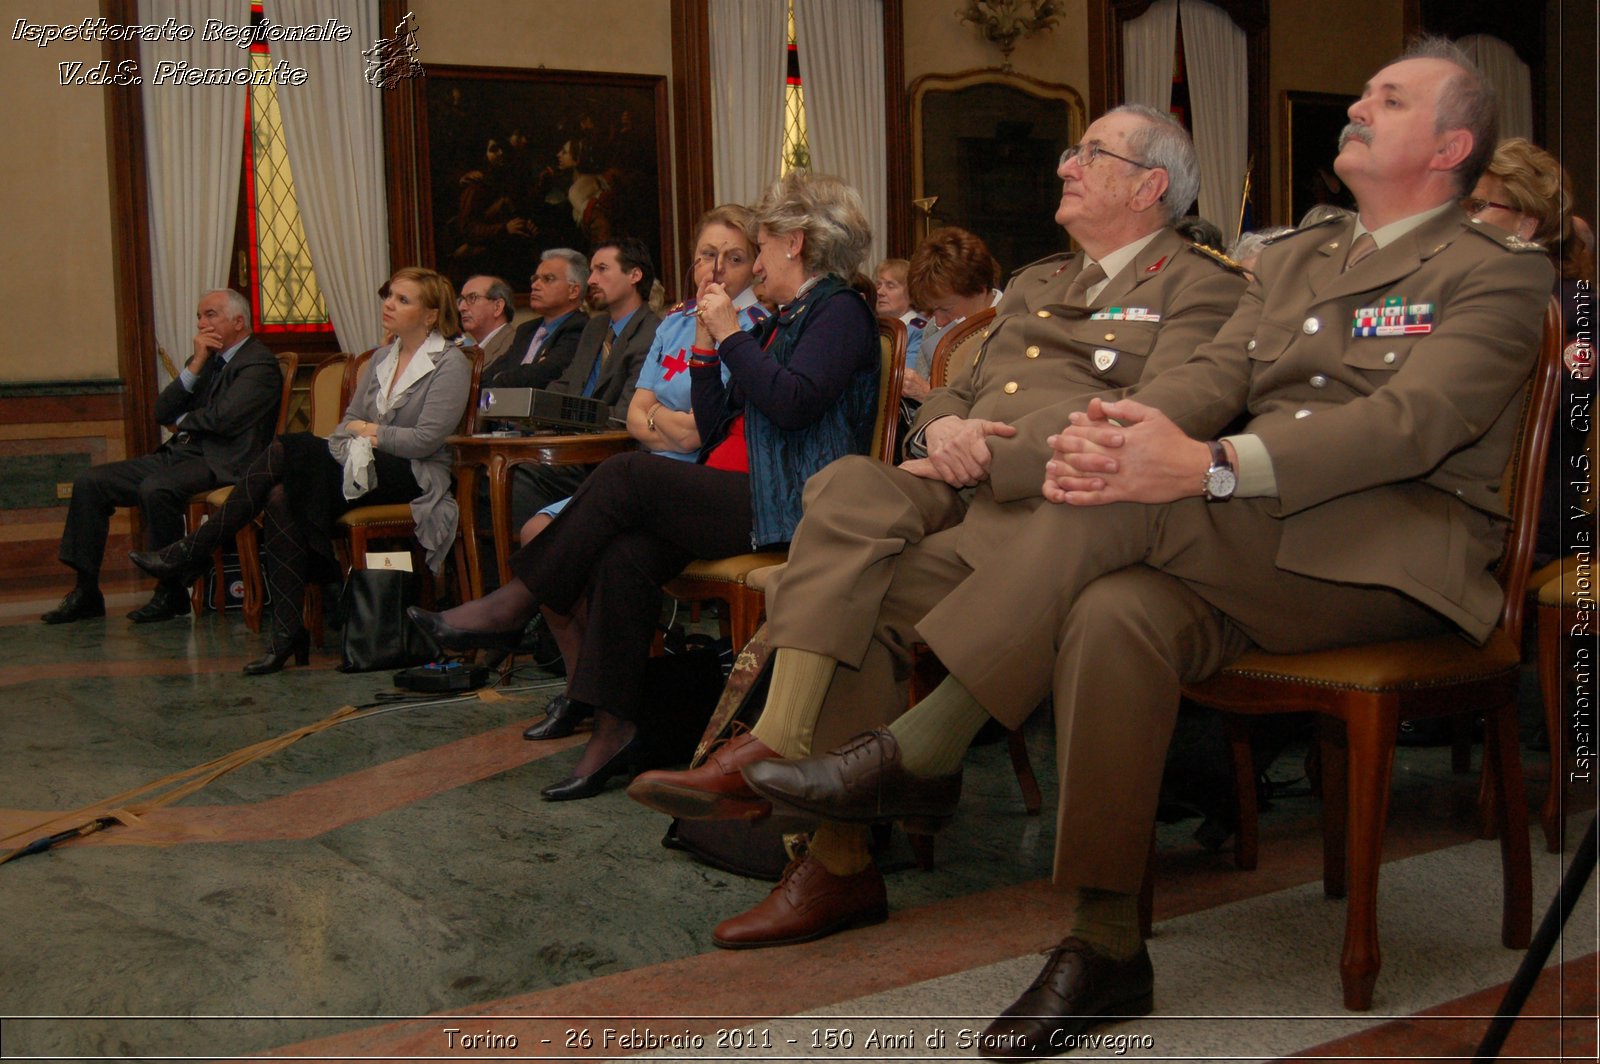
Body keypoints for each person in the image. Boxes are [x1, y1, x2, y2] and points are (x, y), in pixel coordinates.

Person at [730, 40, 1552, 1057]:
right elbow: (1211, 369)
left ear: (1451, 144)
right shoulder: (1297, 256)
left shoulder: (1499, 273)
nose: (1357, 104)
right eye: (1365, 88)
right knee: (1115, 608)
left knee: (1131, 494)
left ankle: (926, 746)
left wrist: (1202, 462)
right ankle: (1108, 939)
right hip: (1254, 540)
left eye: (1389, 98)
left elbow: (1412, 426)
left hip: (1392, 554)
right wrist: (1122, 432)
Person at [627, 105, 1248, 951]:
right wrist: (943, 432)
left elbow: (1163, 413)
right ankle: (782, 742)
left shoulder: (1204, 285)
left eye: (1089, 154)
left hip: (1072, 511)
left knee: (870, 590)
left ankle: (838, 860)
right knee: (846, 486)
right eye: (1070, 150)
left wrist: (1001, 456)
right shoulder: (1036, 282)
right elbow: (954, 385)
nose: (1066, 165)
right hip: (963, 489)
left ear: (1150, 186)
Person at [408, 171, 882, 802]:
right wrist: (711, 349)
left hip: (795, 503)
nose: (755, 261)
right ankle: (614, 728)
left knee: (627, 473)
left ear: (794, 243)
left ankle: (514, 603)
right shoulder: (785, 317)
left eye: (759, 246)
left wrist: (733, 336)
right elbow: (716, 426)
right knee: (624, 553)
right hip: (738, 487)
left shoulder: (839, 312)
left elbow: (793, 405)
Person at [130, 268, 474, 675]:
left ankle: (194, 549)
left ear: (432, 315)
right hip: (362, 463)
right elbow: (347, 420)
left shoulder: (449, 363)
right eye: (389, 296)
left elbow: (424, 441)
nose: (388, 305)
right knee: (280, 497)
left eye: (403, 299)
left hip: (414, 473)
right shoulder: (382, 357)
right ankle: (287, 633)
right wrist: (361, 432)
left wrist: (369, 431)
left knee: (289, 449)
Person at [520, 204, 770, 742]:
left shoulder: (754, 327)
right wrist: (662, 422)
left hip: (697, 481)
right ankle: (578, 689)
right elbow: (635, 415)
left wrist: (661, 421)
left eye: (734, 257)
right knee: (537, 530)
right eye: (707, 255)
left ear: (756, 265)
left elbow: (703, 432)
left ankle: (571, 673)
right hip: (644, 467)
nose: (717, 270)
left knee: (586, 538)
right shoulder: (676, 322)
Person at [44, 289, 281, 626]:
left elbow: (225, 419)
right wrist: (196, 363)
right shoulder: (206, 360)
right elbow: (162, 411)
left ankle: (169, 592)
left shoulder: (259, 364)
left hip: (224, 461)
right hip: (182, 453)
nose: (201, 323)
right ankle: (86, 591)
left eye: (210, 315)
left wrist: (183, 422)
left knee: (156, 489)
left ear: (238, 322)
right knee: (90, 482)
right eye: (199, 316)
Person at [1461, 136, 1588, 562]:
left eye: (1476, 207)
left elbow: (1566, 407)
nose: (1458, 222)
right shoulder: (1451, 298)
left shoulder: (1573, 309)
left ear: (1525, 223)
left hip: (1526, 517)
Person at [508, 238, 661, 530]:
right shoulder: (595, 327)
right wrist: (532, 411)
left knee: (516, 477)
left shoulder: (652, 331)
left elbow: (627, 413)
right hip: (568, 449)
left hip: (606, 457)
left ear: (634, 275)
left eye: (602, 269)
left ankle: (537, 567)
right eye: (591, 271)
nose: (591, 280)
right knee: (489, 477)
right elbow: (567, 385)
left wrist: (568, 423)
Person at [905, 226, 1003, 394]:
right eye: (931, 311)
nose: (939, 321)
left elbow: (1003, 410)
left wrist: (928, 394)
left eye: (945, 308)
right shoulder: (933, 328)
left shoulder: (1013, 326)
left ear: (979, 289)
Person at [480, 249, 590, 390]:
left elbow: (544, 374)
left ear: (573, 291)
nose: (535, 286)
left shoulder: (580, 327)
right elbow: (486, 377)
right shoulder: (527, 330)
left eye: (547, 279)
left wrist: (500, 378)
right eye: (535, 279)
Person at [874, 258, 926, 389]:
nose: (880, 292)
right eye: (878, 285)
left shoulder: (918, 331)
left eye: (890, 286)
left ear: (910, 293)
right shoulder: (873, 326)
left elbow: (905, 381)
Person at [458, 275, 516, 366]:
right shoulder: (468, 350)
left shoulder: (514, 346)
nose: (461, 308)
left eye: (472, 298)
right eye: (461, 300)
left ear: (497, 307)